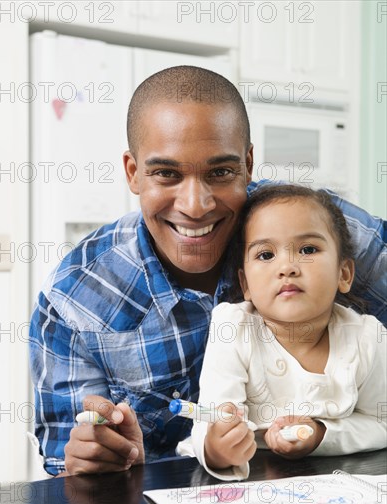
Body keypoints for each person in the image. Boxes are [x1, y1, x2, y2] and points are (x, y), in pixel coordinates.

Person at [29, 66, 387, 476]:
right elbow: (63, 459)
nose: (195, 206)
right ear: (133, 173)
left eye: (220, 172)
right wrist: (100, 458)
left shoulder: (327, 232)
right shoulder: (76, 298)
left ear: (248, 164)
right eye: (166, 173)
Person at [191, 184, 387, 481]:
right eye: (266, 254)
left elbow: (381, 423)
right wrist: (216, 448)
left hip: (336, 489)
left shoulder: (367, 338)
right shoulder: (232, 327)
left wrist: (321, 434)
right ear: (245, 285)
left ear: (344, 274)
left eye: (308, 249)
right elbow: (212, 417)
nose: (287, 267)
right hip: (246, 487)